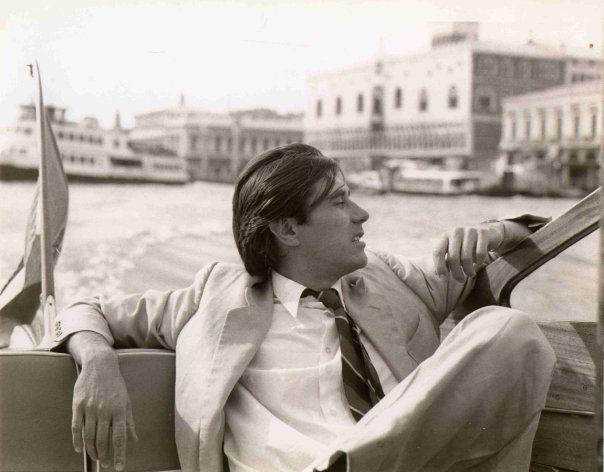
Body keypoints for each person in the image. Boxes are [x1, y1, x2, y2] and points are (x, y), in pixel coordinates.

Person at [51, 144, 555, 472]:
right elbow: (85, 309)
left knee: (508, 329)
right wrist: (97, 365)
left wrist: (493, 231)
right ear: (288, 229)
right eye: (339, 202)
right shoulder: (215, 295)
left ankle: (352, 458)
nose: (362, 214)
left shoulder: (388, 277)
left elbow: (531, 237)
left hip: (396, 461)